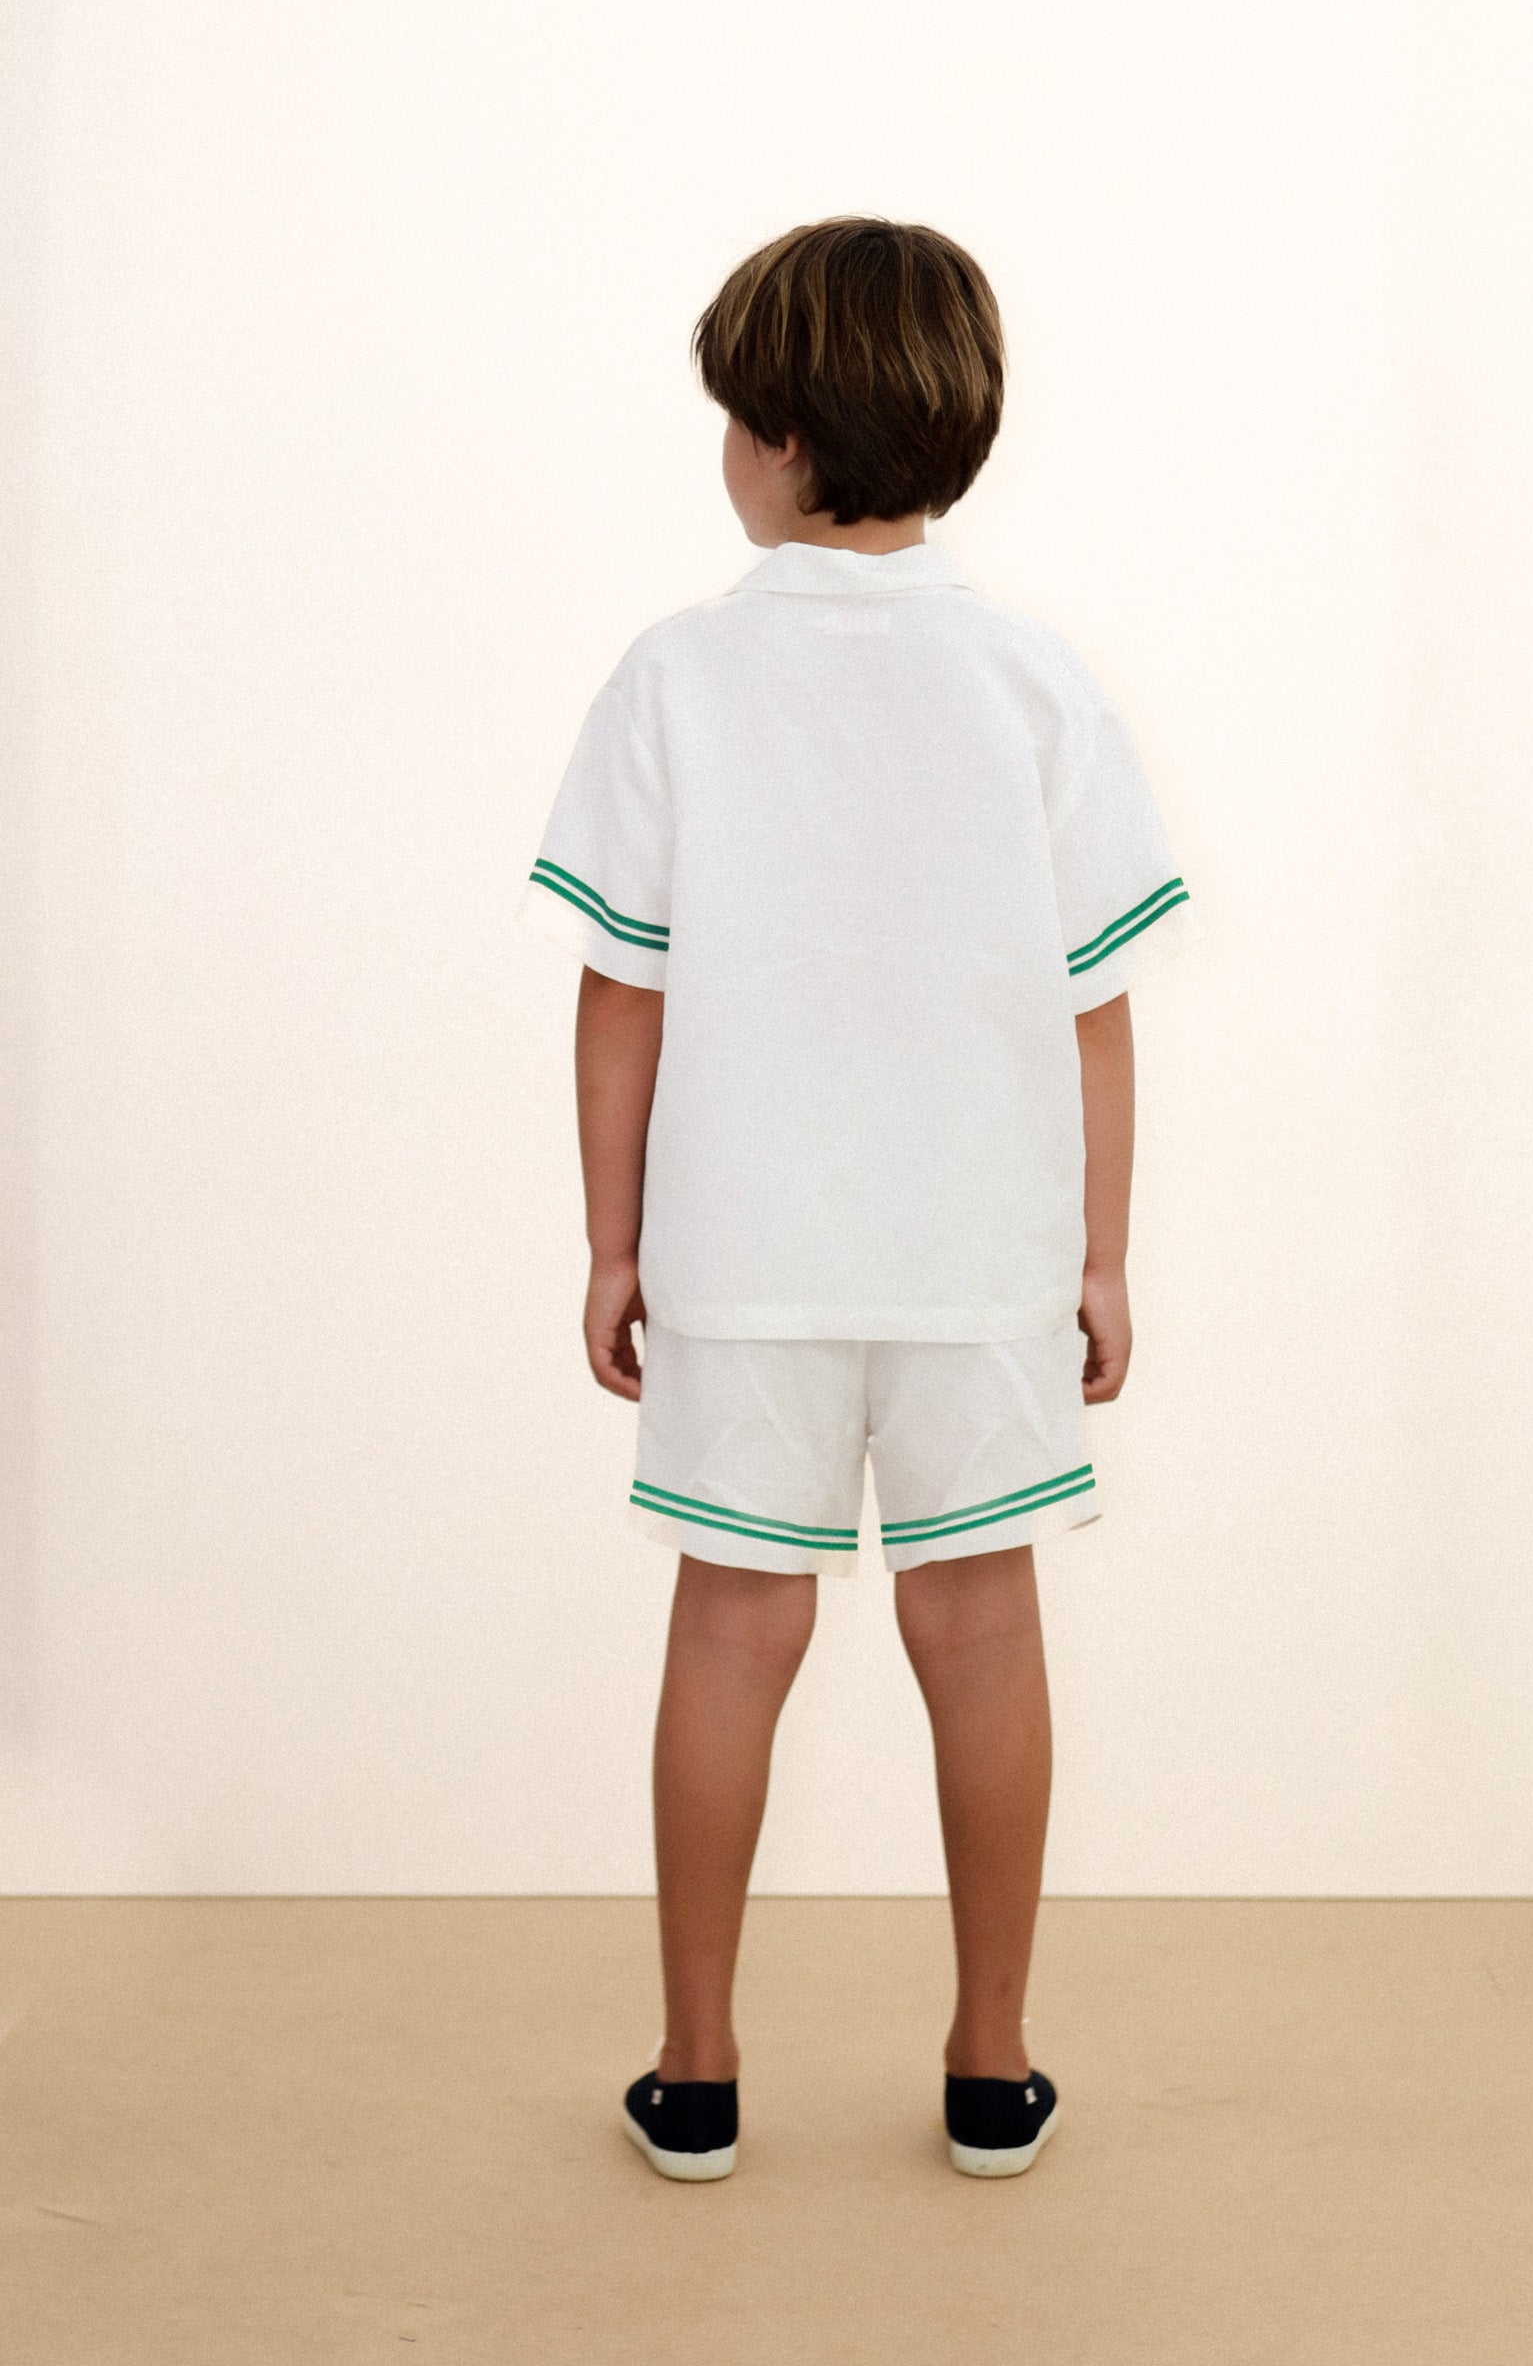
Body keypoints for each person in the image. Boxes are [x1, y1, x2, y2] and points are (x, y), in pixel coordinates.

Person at [517, 217, 1201, 2183]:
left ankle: (696, 2072)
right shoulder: (1033, 679)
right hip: (981, 1254)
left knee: (732, 1629)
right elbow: (1093, 1006)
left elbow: (622, 991)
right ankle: (990, 2063)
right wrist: (1098, 1257)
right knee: (979, 1626)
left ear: (786, 442)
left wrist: (613, 1240)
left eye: (735, 415)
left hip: (742, 1252)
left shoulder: (675, 675)